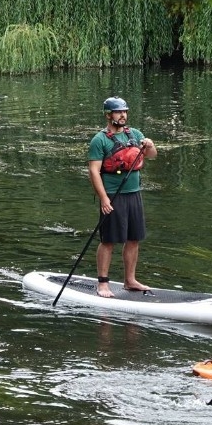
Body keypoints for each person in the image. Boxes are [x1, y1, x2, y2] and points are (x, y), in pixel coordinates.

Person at [87, 96, 157, 298]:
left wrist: (150, 145)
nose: (123, 115)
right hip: (112, 195)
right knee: (109, 240)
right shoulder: (99, 140)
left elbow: (151, 155)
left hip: (133, 194)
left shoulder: (135, 134)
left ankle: (130, 280)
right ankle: (102, 284)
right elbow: (93, 171)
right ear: (109, 115)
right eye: (118, 112)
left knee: (134, 239)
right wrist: (104, 198)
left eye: (125, 111)